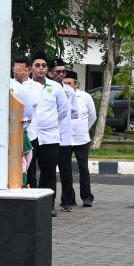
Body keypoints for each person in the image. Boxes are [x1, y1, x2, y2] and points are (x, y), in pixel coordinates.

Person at [21, 52, 70, 215]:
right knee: (29, 171)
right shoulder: (24, 87)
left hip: (50, 137)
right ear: (30, 69)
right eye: (37, 65)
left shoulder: (55, 87)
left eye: (43, 66)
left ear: (47, 69)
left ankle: (48, 205)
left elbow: (63, 111)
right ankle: (31, 204)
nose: (40, 68)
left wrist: (50, 123)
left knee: (48, 172)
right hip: (30, 135)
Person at [61, 70, 96, 208]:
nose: (67, 86)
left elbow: (92, 116)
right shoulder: (61, 95)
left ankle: (87, 197)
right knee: (65, 170)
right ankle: (69, 198)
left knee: (83, 168)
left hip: (81, 139)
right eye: (64, 83)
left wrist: (83, 129)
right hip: (65, 139)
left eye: (69, 83)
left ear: (76, 84)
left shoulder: (85, 97)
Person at [51, 59, 79, 211]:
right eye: (58, 72)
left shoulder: (70, 91)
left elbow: (74, 112)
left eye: (63, 72)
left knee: (66, 172)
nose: (61, 74)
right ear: (51, 73)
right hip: (49, 136)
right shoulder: (47, 88)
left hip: (64, 137)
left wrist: (64, 121)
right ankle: (49, 202)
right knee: (48, 172)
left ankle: (67, 201)